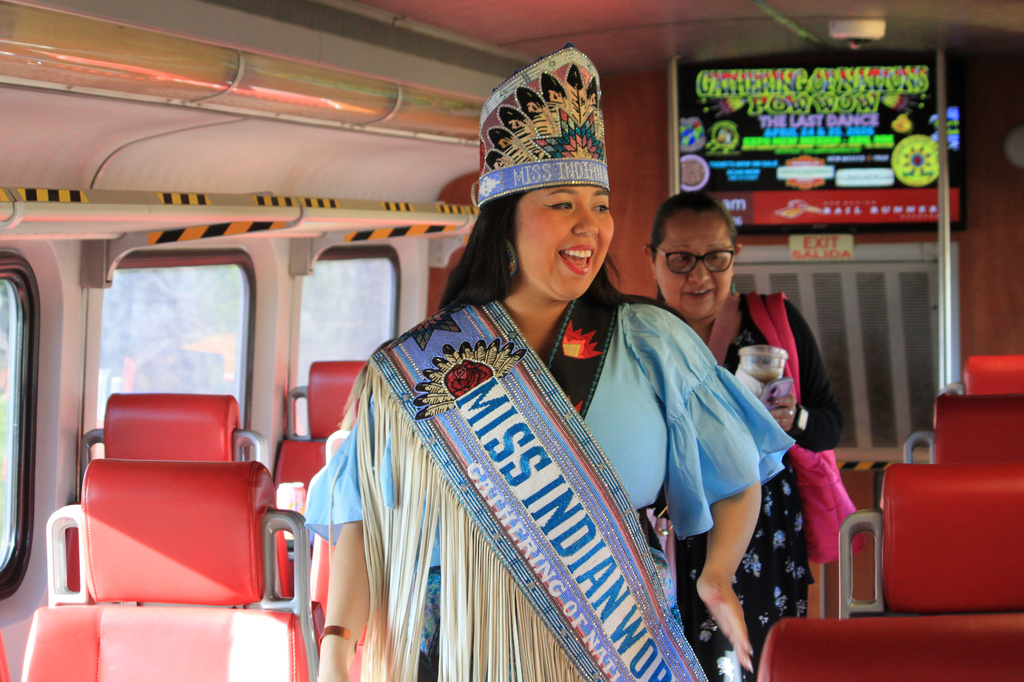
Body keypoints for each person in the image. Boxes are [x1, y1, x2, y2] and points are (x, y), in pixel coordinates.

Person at [304, 46, 793, 682]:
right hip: (459, 649)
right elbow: (363, 517)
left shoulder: (651, 343)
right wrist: (340, 641)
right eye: (562, 203)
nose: (590, 226)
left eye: (600, 203)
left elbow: (736, 469)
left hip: (616, 646)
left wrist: (717, 574)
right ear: (505, 224)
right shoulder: (414, 371)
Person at [644, 191, 845, 682]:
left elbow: (828, 425)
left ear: (736, 256)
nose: (699, 274)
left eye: (716, 257)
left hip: (765, 528)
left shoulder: (774, 324)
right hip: (663, 525)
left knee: (759, 662)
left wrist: (790, 421)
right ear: (651, 260)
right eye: (681, 259)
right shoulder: (634, 334)